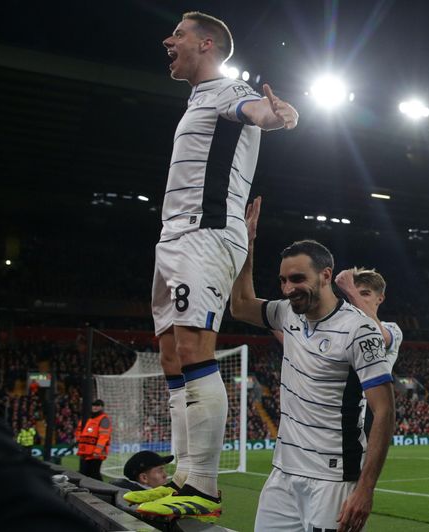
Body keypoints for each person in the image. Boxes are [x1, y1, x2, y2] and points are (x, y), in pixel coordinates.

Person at [140, 10, 298, 520]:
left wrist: (281, 114)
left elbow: (261, 112)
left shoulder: (230, 90)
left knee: (193, 348)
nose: (170, 39)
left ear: (206, 44)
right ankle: (184, 476)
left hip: (205, 234)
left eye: (179, 34)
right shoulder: (198, 99)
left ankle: (204, 488)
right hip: (175, 238)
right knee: (171, 357)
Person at [230, 197, 395, 532]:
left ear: (325, 275)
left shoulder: (358, 330)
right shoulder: (286, 313)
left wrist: (365, 489)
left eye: (297, 279)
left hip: (333, 479)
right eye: (283, 281)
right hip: (283, 474)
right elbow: (241, 306)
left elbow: (385, 411)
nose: (289, 289)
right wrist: (246, 243)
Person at [335, 267, 403, 438]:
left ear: (380, 298)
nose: (356, 298)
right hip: (333, 417)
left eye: (364, 294)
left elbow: (377, 335)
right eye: (354, 293)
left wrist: (350, 290)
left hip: (366, 418)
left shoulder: (391, 329)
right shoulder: (340, 331)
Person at [75, 399, 112, 481]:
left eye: (97, 406)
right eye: (94, 405)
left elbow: (104, 436)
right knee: (86, 474)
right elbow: (79, 430)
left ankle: (102, 491)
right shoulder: (88, 418)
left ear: (101, 407)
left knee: (94, 474)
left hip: (96, 454)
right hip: (85, 452)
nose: (95, 407)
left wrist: (97, 451)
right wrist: (79, 441)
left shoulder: (103, 419)